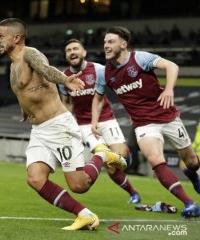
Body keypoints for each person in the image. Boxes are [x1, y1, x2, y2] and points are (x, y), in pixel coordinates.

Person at [0, 18, 127, 231]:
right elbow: (27, 91)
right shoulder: (12, 67)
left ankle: (102, 155)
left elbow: (47, 70)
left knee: (79, 185)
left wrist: (65, 80)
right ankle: (85, 215)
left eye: (0, 36)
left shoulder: (30, 54)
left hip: (59, 126)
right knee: (35, 178)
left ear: (16, 37)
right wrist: (25, 111)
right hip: (39, 130)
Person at [92, 26, 200, 219]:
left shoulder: (140, 58)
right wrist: (94, 120)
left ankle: (192, 173)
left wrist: (169, 90)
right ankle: (190, 203)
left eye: (110, 41)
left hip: (167, 116)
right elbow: (98, 97)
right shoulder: (105, 73)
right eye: (104, 42)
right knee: (155, 159)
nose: (106, 45)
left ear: (123, 44)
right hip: (144, 124)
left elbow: (172, 66)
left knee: (192, 161)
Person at [59, 38, 141, 204]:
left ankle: (127, 154)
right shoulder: (64, 77)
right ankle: (133, 193)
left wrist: (132, 111)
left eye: (75, 48)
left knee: (121, 158)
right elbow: (66, 104)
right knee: (110, 165)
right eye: (68, 50)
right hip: (84, 125)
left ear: (84, 53)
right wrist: (65, 125)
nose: (72, 52)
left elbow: (120, 90)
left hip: (106, 119)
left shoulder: (99, 70)